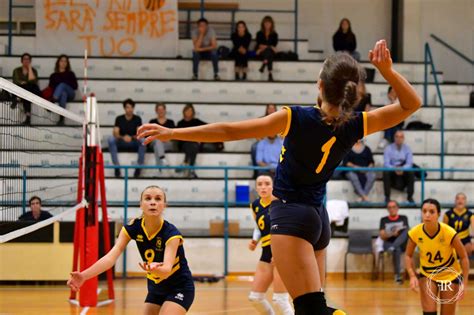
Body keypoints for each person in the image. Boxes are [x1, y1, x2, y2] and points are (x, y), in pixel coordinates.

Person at [138, 40, 422, 315]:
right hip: (317, 217)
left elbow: (228, 131)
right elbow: (411, 103)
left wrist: (172, 132)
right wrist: (387, 71)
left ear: (320, 86)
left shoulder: (293, 117)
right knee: (312, 305)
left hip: (290, 215)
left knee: (312, 309)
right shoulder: (358, 123)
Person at [67, 186, 195, 314]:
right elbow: (110, 258)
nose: (153, 202)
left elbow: (166, 270)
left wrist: (155, 269)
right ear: (141, 205)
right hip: (156, 289)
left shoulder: (171, 233)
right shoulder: (132, 228)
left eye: (158, 199)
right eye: (148, 198)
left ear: (164, 205)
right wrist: (84, 275)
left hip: (180, 287)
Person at [405, 198, 469, 315]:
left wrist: (464, 283)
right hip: (428, 275)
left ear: (439, 214)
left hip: (449, 276)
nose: (427, 215)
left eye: (431, 211)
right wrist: (412, 275)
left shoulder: (449, 232)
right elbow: (408, 256)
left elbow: (464, 257)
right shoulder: (415, 232)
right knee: (429, 313)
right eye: (424, 211)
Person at [248, 174, 293, 315]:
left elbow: (289, 227)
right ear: (256, 188)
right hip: (266, 251)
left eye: (267, 183)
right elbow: (258, 226)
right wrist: (255, 240)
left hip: (281, 250)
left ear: (273, 186)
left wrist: (281, 251)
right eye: (260, 184)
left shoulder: (281, 203)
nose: (263, 187)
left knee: (280, 300)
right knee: (255, 297)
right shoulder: (255, 205)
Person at [108, 98, 145, 178]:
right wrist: (123, 137)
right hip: (122, 142)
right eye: (128, 107)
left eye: (131, 107)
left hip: (133, 142)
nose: (130, 109)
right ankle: (117, 167)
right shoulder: (119, 118)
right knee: (111, 139)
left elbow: (140, 133)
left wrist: (131, 137)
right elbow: (115, 133)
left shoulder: (137, 119)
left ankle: (138, 167)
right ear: (124, 108)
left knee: (143, 140)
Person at [379, 200, 409, 284]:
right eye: (389, 207)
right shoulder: (384, 220)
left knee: (407, 230)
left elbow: (405, 232)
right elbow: (382, 235)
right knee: (397, 249)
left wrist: (397, 233)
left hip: (401, 242)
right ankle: (397, 276)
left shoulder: (403, 218)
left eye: (393, 207)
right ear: (387, 209)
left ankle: (393, 247)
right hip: (388, 243)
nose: (392, 209)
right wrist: (392, 233)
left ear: (397, 208)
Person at [383, 130, 415, 204]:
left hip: (403, 170)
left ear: (403, 138)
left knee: (411, 172)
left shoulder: (407, 148)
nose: (399, 138)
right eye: (397, 136)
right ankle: (387, 197)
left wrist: (402, 168)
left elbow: (409, 163)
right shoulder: (388, 148)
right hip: (392, 170)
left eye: (401, 137)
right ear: (394, 138)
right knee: (386, 172)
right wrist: (395, 169)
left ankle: (410, 197)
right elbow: (386, 163)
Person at [176, 104, 206, 178]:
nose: (189, 113)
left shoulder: (196, 121)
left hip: (195, 144)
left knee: (193, 145)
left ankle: (185, 162)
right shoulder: (180, 123)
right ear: (184, 112)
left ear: (193, 112)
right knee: (191, 144)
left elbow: (207, 127)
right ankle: (191, 169)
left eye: (190, 111)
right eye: (187, 111)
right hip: (184, 144)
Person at [12, 53, 41, 125]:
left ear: (30, 61)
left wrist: (30, 68)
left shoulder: (33, 70)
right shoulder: (17, 70)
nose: (26, 60)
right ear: (21, 60)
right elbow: (16, 81)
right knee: (26, 94)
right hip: (24, 91)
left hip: (31, 90)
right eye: (25, 59)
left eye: (28, 59)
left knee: (28, 88)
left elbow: (33, 81)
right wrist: (25, 83)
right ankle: (28, 117)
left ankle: (18, 98)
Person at [48, 54, 78, 125]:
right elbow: (51, 87)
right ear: (58, 62)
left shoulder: (70, 74)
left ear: (67, 63)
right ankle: (61, 119)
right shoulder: (53, 75)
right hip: (59, 95)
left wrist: (65, 84)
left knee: (62, 85)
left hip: (70, 94)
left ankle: (52, 102)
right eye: (62, 61)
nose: (63, 63)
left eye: (65, 61)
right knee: (63, 93)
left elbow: (75, 86)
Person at [251, 104, 278, 178]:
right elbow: (255, 133)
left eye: (273, 108)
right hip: (263, 139)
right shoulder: (262, 119)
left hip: (276, 140)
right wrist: (262, 140)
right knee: (254, 147)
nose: (271, 110)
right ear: (267, 110)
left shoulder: (279, 119)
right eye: (270, 108)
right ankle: (255, 172)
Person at [443, 192, 473, 256]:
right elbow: (443, 230)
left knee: (468, 248)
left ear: (466, 201)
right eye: (458, 198)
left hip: (465, 240)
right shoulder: (448, 214)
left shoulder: (470, 214)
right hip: (452, 238)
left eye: (463, 199)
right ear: (455, 201)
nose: (460, 201)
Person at [149, 103, 175, 173]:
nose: (160, 111)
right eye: (159, 109)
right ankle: (162, 158)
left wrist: (165, 139)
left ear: (165, 110)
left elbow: (173, 136)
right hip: (155, 141)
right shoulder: (152, 122)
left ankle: (159, 170)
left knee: (156, 147)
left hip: (167, 143)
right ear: (156, 111)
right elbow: (150, 135)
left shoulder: (170, 122)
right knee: (157, 141)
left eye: (162, 109)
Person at [256, 16, 278, 81]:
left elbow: (274, 45)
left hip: (269, 52)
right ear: (263, 24)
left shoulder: (275, 34)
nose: (267, 24)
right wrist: (269, 46)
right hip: (261, 51)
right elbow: (260, 45)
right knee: (269, 51)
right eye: (265, 22)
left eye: (269, 23)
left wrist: (268, 47)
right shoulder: (259, 33)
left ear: (272, 24)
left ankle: (264, 65)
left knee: (269, 51)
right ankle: (270, 74)